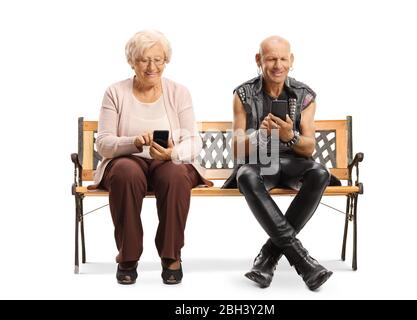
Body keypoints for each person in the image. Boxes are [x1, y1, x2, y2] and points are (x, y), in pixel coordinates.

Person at [91, 30, 212, 285]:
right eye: (144, 59)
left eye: (158, 59)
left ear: (166, 61)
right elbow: (103, 143)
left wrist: (172, 153)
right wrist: (133, 142)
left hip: (167, 160)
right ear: (132, 61)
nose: (152, 66)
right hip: (128, 160)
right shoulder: (115, 92)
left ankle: (171, 256)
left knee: (177, 174)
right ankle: (128, 256)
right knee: (126, 172)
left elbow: (193, 140)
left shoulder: (179, 92)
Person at [222, 35, 334, 290]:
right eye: (271, 58)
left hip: (293, 163)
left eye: (283, 58)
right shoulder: (243, 94)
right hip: (259, 163)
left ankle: (267, 258)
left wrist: (289, 136)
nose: (277, 65)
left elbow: (309, 146)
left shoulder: (305, 95)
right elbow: (237, 148)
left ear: (291, 60)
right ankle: (304, 262)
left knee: (320, 173)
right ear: (259, 60)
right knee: (245, 175)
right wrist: (261, 135)